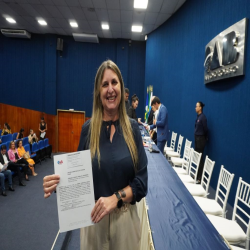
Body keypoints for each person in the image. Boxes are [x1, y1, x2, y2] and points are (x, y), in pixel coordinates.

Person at [43, 60, 148, 250]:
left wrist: (115, 198)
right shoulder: (88, 129)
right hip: (93, 221)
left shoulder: (133, 128)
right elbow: (78, 176)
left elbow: (142, 183)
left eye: (114, 82)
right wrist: (59, 183)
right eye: (105, 84)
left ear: (121, 88)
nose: (110, 89)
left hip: (125, 222)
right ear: (99, 93)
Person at [195, 101, 208, 183]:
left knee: (200, 159)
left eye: (197, 106)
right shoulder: (198, 117)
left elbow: (205, 129)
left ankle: (200, 178)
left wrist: (204, 139)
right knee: (197, 158)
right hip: (197, 139)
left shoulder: (203, 118)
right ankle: (196, 175)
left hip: (200, 140)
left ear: (200, 108)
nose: (195, 108)